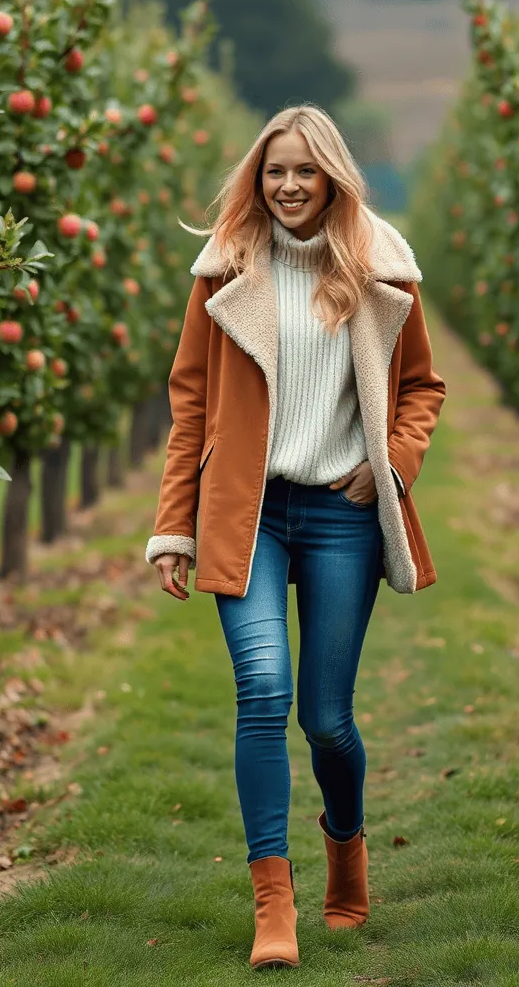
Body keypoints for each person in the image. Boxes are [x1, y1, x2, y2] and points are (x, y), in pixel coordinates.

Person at [145, 104, 446, 970]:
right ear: (257, 177)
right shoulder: (223, 274)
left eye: (304, 172)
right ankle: (272, 902)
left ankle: (345, 850)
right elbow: (191, 404)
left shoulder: (383, 273)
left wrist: (391, 461)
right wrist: (173, 527)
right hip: (247, 511)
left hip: (340, 515)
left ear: (332, 180)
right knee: (262, 692)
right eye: (274, 171)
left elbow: (423, 387)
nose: (287, 186)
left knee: (325, 719)